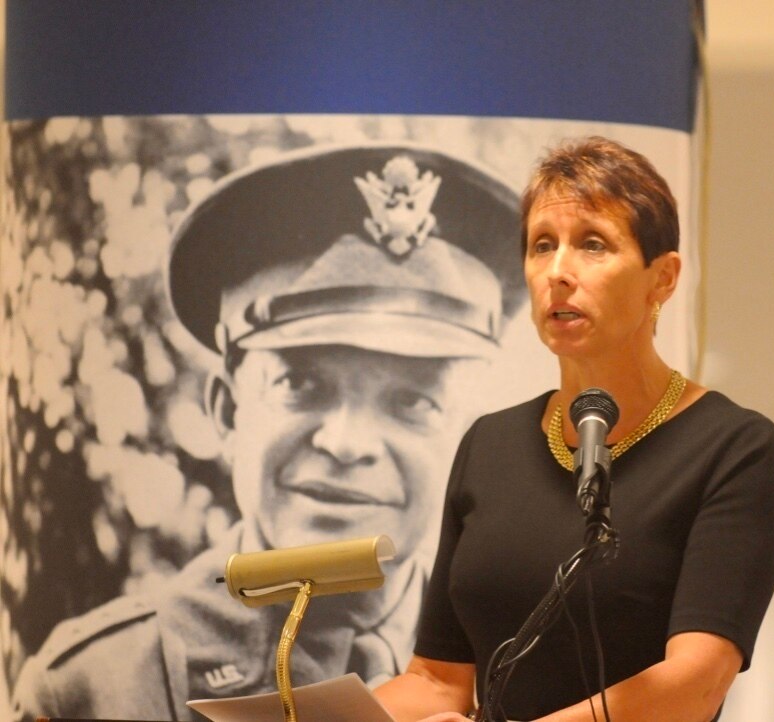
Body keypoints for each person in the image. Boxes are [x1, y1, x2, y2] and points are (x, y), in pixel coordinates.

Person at [10, 142, 526, 721]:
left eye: (412, 401)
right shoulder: (96, 690)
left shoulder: (529, 672)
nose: (347, 442)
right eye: (302, 385)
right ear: (228, 411)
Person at [373, 136, 774, 722]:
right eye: (542, 246)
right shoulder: (489, 446)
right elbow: (437, 682)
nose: (558, 272)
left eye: (593, 244)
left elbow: (695, 684)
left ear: (663, 279)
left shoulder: (733, 448)